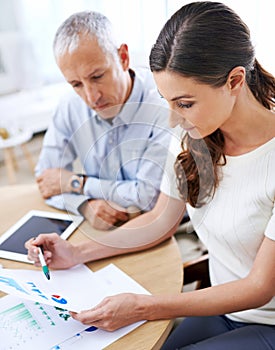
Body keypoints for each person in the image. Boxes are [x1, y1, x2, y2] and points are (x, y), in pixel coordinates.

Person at [25, 2, 275, 349]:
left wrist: (144, 307)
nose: (172, 119)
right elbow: (159, 219)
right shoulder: (195, 134)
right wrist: (76, 252)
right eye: (166, 100)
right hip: (224, 309)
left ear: (234, 81)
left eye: (185, 103)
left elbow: (259, 288)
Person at [35, 11, 171, 230]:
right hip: (103, 227)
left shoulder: (164, 107)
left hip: (167, 229)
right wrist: (84, 204)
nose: (91, 97)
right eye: (76, 84)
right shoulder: (70, 105)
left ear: (123, 58)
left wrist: (77, 183)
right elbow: (46, 179)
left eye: (97, 77)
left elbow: (147, 198)